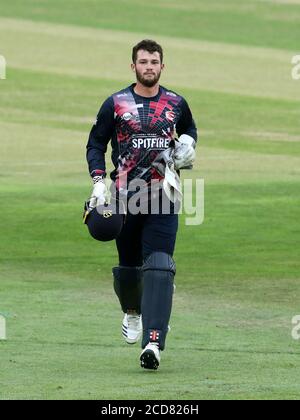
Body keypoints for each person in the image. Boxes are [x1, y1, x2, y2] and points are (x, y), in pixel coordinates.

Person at [86, 39, 197, 370]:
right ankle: (132, 312)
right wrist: (97, 182)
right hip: (125, 197)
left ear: (163, 66)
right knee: (131, 269)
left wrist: (189, 144)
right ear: (133, 66)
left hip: (164, 196)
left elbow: (189, 128)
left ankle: (154, 342)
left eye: (154, 62)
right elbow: (95, 144)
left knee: (160, 266)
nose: (149, 67)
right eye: (143, 62)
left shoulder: (176, 102)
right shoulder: (116, 103)